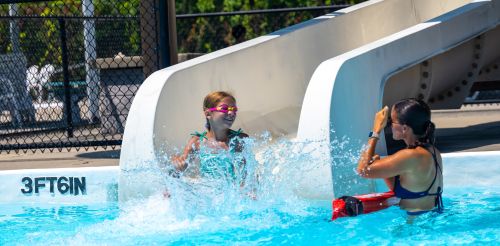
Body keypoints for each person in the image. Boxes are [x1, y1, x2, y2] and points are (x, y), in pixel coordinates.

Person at [357, 98, 443, 216]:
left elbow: (363, 171)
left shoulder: (410, 156)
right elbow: (409, 188)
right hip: (430, 217)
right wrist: (383, 171)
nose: (389, 125)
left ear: (404, 128)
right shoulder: (432, 151)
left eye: (391, 121)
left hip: (414, 225)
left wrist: (375, 130)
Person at [171, 91, 249, 183]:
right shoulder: (197, 142)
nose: (231, 113)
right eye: (224, 108)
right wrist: (177, 167)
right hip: (209, 193)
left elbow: (247, 176)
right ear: (208, 114)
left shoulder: (239, 140)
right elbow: (177, 172)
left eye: (234, 109)